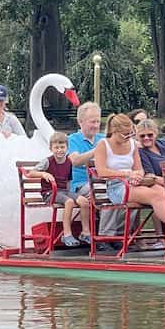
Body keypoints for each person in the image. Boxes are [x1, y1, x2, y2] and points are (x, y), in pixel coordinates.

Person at [93, 112, 165, 243]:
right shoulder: (103, 145)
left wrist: (137, 175)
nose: (128, 137)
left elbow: (139, 169)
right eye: (125, 134)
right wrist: (127, 174)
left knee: (162, 192)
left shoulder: (132, 145)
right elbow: (102, 171)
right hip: (117, 187)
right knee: (154, 197)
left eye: (131, 133)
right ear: (114, 131)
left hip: (133, 184)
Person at [25, 131, 81, 245]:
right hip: (49, 193)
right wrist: (43, 174)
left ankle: (85, 232)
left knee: (84, 201)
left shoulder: (68, 162)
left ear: (67, 148)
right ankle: (67, 234)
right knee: (69, 202)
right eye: (56, 147)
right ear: (51, 148)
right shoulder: (47, 161)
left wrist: (70, 192)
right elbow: (30, 173)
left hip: (63, 192)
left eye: (62, 147)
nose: (59, 150)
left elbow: (68, 180)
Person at [67, 101, 104, 239]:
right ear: (80, 121)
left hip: (103, 181)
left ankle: (116, 233)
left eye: (98, 122)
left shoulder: (103, 138)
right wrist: (97, 150)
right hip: (79, 184)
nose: (95, 125)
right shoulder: (72, 140)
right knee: (103, 193)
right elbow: (75, 161)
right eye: (92, 122)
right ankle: (104, 235)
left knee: (124, 192)